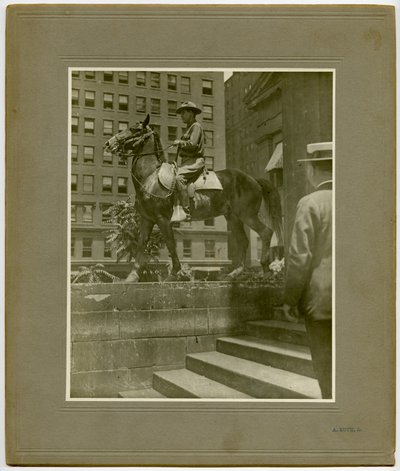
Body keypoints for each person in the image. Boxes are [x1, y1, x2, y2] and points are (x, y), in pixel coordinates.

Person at [282, 141, 333, 399]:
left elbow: (299, 257)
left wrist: (290, 300)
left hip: (321, 304)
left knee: (327, 371)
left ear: (313, 169)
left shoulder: (310, 203)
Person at [172, 101, 205, 221]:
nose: (181, 115)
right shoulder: (188, 128)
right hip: (186, 162)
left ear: (191, 113)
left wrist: (180, 142)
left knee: (178, 178)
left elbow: (193, 144)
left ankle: (185, 211)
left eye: (183, 112)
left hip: (195, 161)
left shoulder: (196, 126)